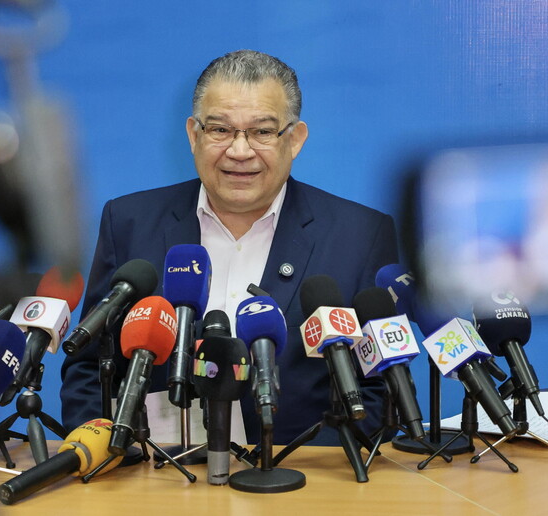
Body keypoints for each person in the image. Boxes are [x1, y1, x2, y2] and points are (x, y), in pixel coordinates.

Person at [59, 50, 399, 445]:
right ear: (193, 135)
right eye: (220, 130)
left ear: (295, 139)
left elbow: (382, 388)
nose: (240, 152)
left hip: (301, 483)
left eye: (262, 131)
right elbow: (89, 369)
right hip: (154, 479)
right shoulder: (130, 222)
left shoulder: (360, 234)